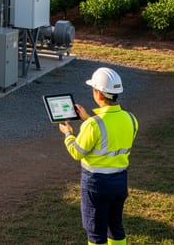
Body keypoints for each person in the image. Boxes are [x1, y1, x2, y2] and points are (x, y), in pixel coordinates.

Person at [58, 67, 139, 245]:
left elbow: (76, 152)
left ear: (99, 94)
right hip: (119, 182)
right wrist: (87, 118)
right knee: (115, 228)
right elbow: (109, 135)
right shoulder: (131, 119)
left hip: (96, 185)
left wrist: (68, 134)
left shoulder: (93, 125)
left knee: (95, 232)